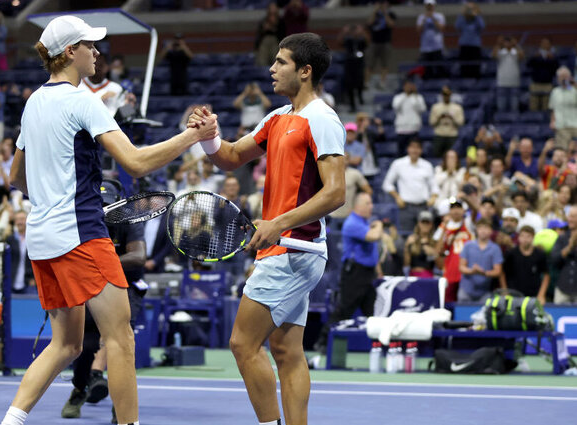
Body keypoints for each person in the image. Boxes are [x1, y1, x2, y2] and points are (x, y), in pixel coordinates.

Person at [0, 15, 218, 425]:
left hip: (43, 239)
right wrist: (193, 137)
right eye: (89, 45)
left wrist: (54, 195)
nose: (97, 52)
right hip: (81, 235)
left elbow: (15, 177)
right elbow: (135, 162)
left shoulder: (33, 103)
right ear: (70, 52)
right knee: (121, 338)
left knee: (65, 345)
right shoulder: (83, 101)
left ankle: (11, 420)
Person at [188, 32, 345, 425]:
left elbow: (337, 192)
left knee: (242, 343)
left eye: (281, 62)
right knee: (287, 351)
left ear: (305, 71)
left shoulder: (322, 119)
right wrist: (208, 137)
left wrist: (278, 222)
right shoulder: (277, 118)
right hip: (287, 247)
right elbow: (231, 156)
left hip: (295, 248)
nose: (271, 68)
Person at [61, 181, 148, 422]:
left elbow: (139, 256)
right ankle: (79, 390)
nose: (105, 211)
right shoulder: (82, 223)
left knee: (119, 340)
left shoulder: (130, 221)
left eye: (109, 205)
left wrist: (99, 265)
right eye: (100, 205)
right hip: (91, 286)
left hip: (127, 286)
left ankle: (121, 409)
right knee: (84, 345)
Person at [331, 193, 382, 322]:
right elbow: (374, 236)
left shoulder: (364, 223)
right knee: (344, 312)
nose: (372, 206)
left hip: (368, 274)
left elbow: (371, 249)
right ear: (358, 206)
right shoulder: (352, 223)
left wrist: (378, 270)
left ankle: (372, 342)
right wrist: (379, 224)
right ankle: (324, 341)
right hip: (355, 275)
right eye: (368, 203)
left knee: (371, 313)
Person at [382, 139, 439, 233]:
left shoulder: (427, 165)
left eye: (417, 147)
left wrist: (433, 197)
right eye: (412, 147)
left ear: (421, 150)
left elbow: (434, 186)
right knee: (406, 235)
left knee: (424, 235)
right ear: (408, 149)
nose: (414, 150)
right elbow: (387, 184)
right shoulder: (398, 164)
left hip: (423, 207)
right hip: (405, 207)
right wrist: (397, 197)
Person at [434, 199, 474, 302]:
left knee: (465, 300)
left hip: (467, 270)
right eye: (453, 208)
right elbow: (438, 250)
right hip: (450, 269)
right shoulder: (444, 226)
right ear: (449, 212)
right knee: (448, 300)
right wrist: (444, 228)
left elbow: (476, 211)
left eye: (458, 208)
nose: (456, 211)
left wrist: (466, 197)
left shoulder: (468, 223)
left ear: (463, 211)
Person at [501, 225, 548, 304]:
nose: (525, 239)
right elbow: (502, 273)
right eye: (522, 236)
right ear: (518, 237)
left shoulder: (539, 254)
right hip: (514, 295)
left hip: (533, 295)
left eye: (528, 236)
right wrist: (505, 291)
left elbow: (546, 274)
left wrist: (541, 294)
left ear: (533, 237)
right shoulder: (511, 253)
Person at [458, 218, 503, 301]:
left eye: (486, 228)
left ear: (491, 231)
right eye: (480, 228)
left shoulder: (495, 248)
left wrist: (484, 273)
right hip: (466, 290)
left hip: (485, 292)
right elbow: (461, 267)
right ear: (476, 230)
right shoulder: (468, 246)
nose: (483, 231)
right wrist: (472, 271)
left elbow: (497, 271)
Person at [366, 0, 396, 89]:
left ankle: (382, 82)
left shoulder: (391, 14)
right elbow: (369, 23)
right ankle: (366, 83)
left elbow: (391, 24)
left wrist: (384, 12)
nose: (382, 5)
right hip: (374, 42)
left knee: (385, 64)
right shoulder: (374, 14)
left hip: (385, 42)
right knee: (369, 64)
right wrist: (375, 11)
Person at [551, 207, 577, 304]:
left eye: (573, 216)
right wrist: (569, 247)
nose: (570, 219)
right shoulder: (562, 238)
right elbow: (554, 260)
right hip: (563, 288)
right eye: (569, 216)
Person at [339, 24, 368, 113]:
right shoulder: (348, 40)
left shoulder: (361, 40)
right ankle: (352, 105)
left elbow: (368, 42)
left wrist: (363, 32)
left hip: (359, 64)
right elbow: (339, 42)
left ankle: (360, 98)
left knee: (360, 82)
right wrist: (344, 32)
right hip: (349, 63)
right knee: (349, 84)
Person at [429, 86, 464, 157]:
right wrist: (439, 118)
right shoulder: (435, 107)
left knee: (452, 156)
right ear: (442, 95)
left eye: (447, 94)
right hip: (439, 134)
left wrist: (452, 118)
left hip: (452, 135)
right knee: (437, 155)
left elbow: (461, 123)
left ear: (450, 94)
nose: (446, 96)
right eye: (444, 94)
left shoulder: (457, 107)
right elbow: (431, 122)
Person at [392, 81, 426, 153]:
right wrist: (406, 96)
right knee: (400, 152)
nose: (408, 88)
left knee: (414, 151)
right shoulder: (398, 97)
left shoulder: (418, 97)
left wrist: (415, 96)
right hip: (401, 129)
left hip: (414, 129)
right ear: (404, 87)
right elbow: (396, 107)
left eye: (410, 86)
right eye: (407, 86)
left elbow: (422, 109)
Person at [528, 37, 560, 112]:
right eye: (543, 43)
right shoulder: (535, 55)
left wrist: (552, 59)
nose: (545, 45)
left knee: (547, 107)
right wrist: (534, 57)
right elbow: (528, 65)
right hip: (536, 84)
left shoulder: (554, 56)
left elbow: (557, 69)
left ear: (550, 45)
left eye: (547, 43)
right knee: (533, 106)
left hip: (548, 84)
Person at [549, 66, 577, 151]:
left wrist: (574, 84)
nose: (563, 78)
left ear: (569, 77)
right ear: (558, 78)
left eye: (565, 76)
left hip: (575, 124)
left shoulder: (575, 90)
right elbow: (553, 108)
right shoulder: (555, 92)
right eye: (561, 76)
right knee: (561, 151)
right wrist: (552, 121)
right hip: (561, 126)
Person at [493, 36, 524, 113]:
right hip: (502, 82)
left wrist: (516, 45)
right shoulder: (501, 52)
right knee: (501, 107)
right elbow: (493, 55)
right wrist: (498, 44)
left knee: (514, 107)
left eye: (509, 42)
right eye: (505, 42)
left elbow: (522, 57)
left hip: (514, 82)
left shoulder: (515, 51)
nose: (507, 44)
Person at [416, 0, 445, 79]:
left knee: (439, 68)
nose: (429, 7)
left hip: (437, 47)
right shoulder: (421, 17)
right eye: (427, 5)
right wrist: (425, 19)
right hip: (425, 48)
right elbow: (418, 30)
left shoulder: (439, 16)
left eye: (430, 5)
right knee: (427, 70)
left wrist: (432, 18)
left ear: (434, 6)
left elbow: (441, 28)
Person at [454, 2, 484, 79]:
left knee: (475, 65)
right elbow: (457, 26)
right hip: (464, 45)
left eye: (471, 9)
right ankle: (464, 83)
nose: (470, 11)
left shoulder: (477, 18)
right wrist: (463, 14)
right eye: (468, 9)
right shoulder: (462, 17)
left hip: (475, 45)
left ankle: (476, 83)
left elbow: (482, 26)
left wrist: (477, 15)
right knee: (464, 65)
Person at [7, 210, 34, 294]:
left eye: (22, 219)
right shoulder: (10, 240)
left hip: (29, 282)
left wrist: (34, 278)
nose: (20, 222)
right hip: (12, 282)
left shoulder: (33, 238)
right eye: (17, 219)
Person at [404, 210, 437, 278]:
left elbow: (440, 266)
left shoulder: (435, 241)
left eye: (427, 222)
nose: (425, 225)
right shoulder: (411, 239)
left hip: (428, 274)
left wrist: (434, 253)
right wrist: (407, 247)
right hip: (412, 275)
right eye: (423, 222)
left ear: (431, 225)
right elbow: (406, 264)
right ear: (419, 224)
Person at [254, 2, 285, 67]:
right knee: (262, 60)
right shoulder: (263, 21)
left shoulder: (281, 21)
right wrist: (264, 29)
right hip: (264, 44)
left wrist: (274, 28)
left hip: (277, 43)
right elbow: (259, 36)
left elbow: (283, 35)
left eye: (274, 8)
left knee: (276, 58)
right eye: (271, 8)